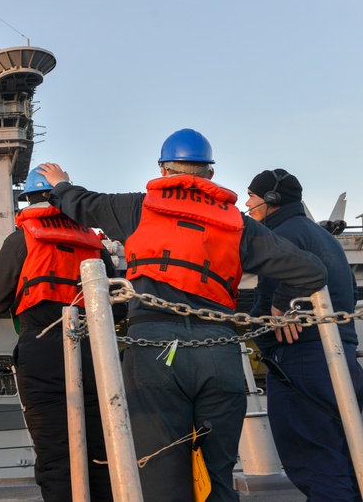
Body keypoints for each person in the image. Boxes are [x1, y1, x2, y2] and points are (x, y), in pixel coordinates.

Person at [37, 128, 328, 502]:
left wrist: (60, 184)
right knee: (218, 474)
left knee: (160, 475)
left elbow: (81, 202)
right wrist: (283, 301)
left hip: (154, 353)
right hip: (219, 353)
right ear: (209, 174)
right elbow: (311, 271)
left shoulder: (137, 208)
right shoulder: (240, 224)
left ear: (163, 170)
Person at [0, 165, 115, 502]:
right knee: (101, 451)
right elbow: (118, 304)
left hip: (42, 350)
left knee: (56, 454)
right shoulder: (92, 242)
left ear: (30, 199)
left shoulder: (20, 239)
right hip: (93, 350)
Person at [246, 168, 363, 500]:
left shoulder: (281, 237)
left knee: (314, 463)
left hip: (300, 361)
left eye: (252, 195)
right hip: (342, 356)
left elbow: (269, 305)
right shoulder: (322, 236)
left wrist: (270, 317)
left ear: (271, 200)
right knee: (348, 459)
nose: (247, 202)